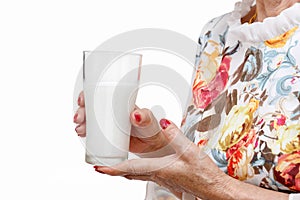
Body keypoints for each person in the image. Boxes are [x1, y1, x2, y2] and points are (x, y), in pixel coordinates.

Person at [74, 0, 300, 199]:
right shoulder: (218, 32)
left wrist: (217, 188)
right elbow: (202, 174)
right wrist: (156, 145)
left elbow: (211, 183)